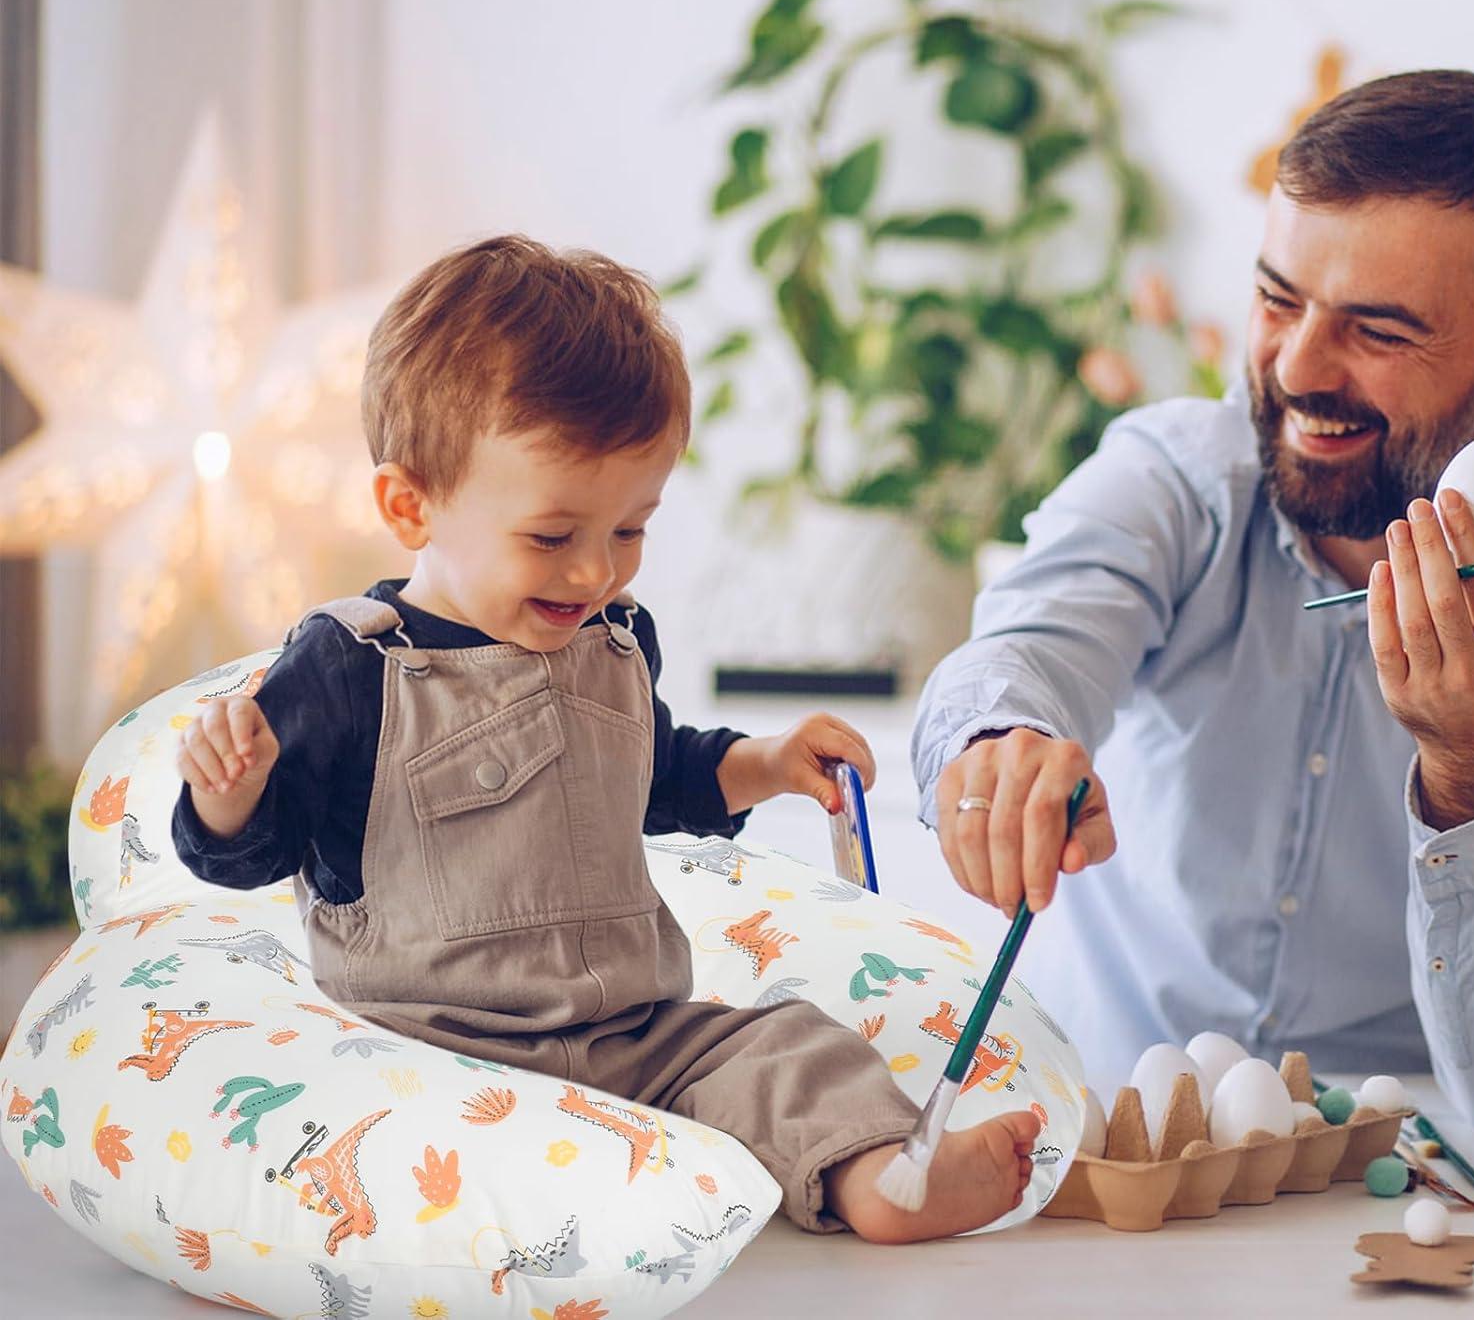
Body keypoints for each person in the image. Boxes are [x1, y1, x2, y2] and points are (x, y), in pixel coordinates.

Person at [172, 234, 1041, 1241]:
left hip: (634, 1034)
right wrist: (228, 793)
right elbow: (252, 848)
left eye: (630, 531)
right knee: (377, 1134)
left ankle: (886, 1182)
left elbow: (655, 770)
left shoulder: (616, 644)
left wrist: (764, 764)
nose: (595, 575)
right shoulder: (349, 667)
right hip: (430, 1051)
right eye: (552, 537)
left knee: (792, 1049)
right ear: (411, 504)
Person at [913, 70, 1474, 1124]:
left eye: (1378, 330)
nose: (1296, 366)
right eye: (1278, 299)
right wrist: (995, 739)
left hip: (1396, 1155)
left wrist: (1470, 776)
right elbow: (1027, 647)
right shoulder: (1181, 476)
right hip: (1103, 1136)